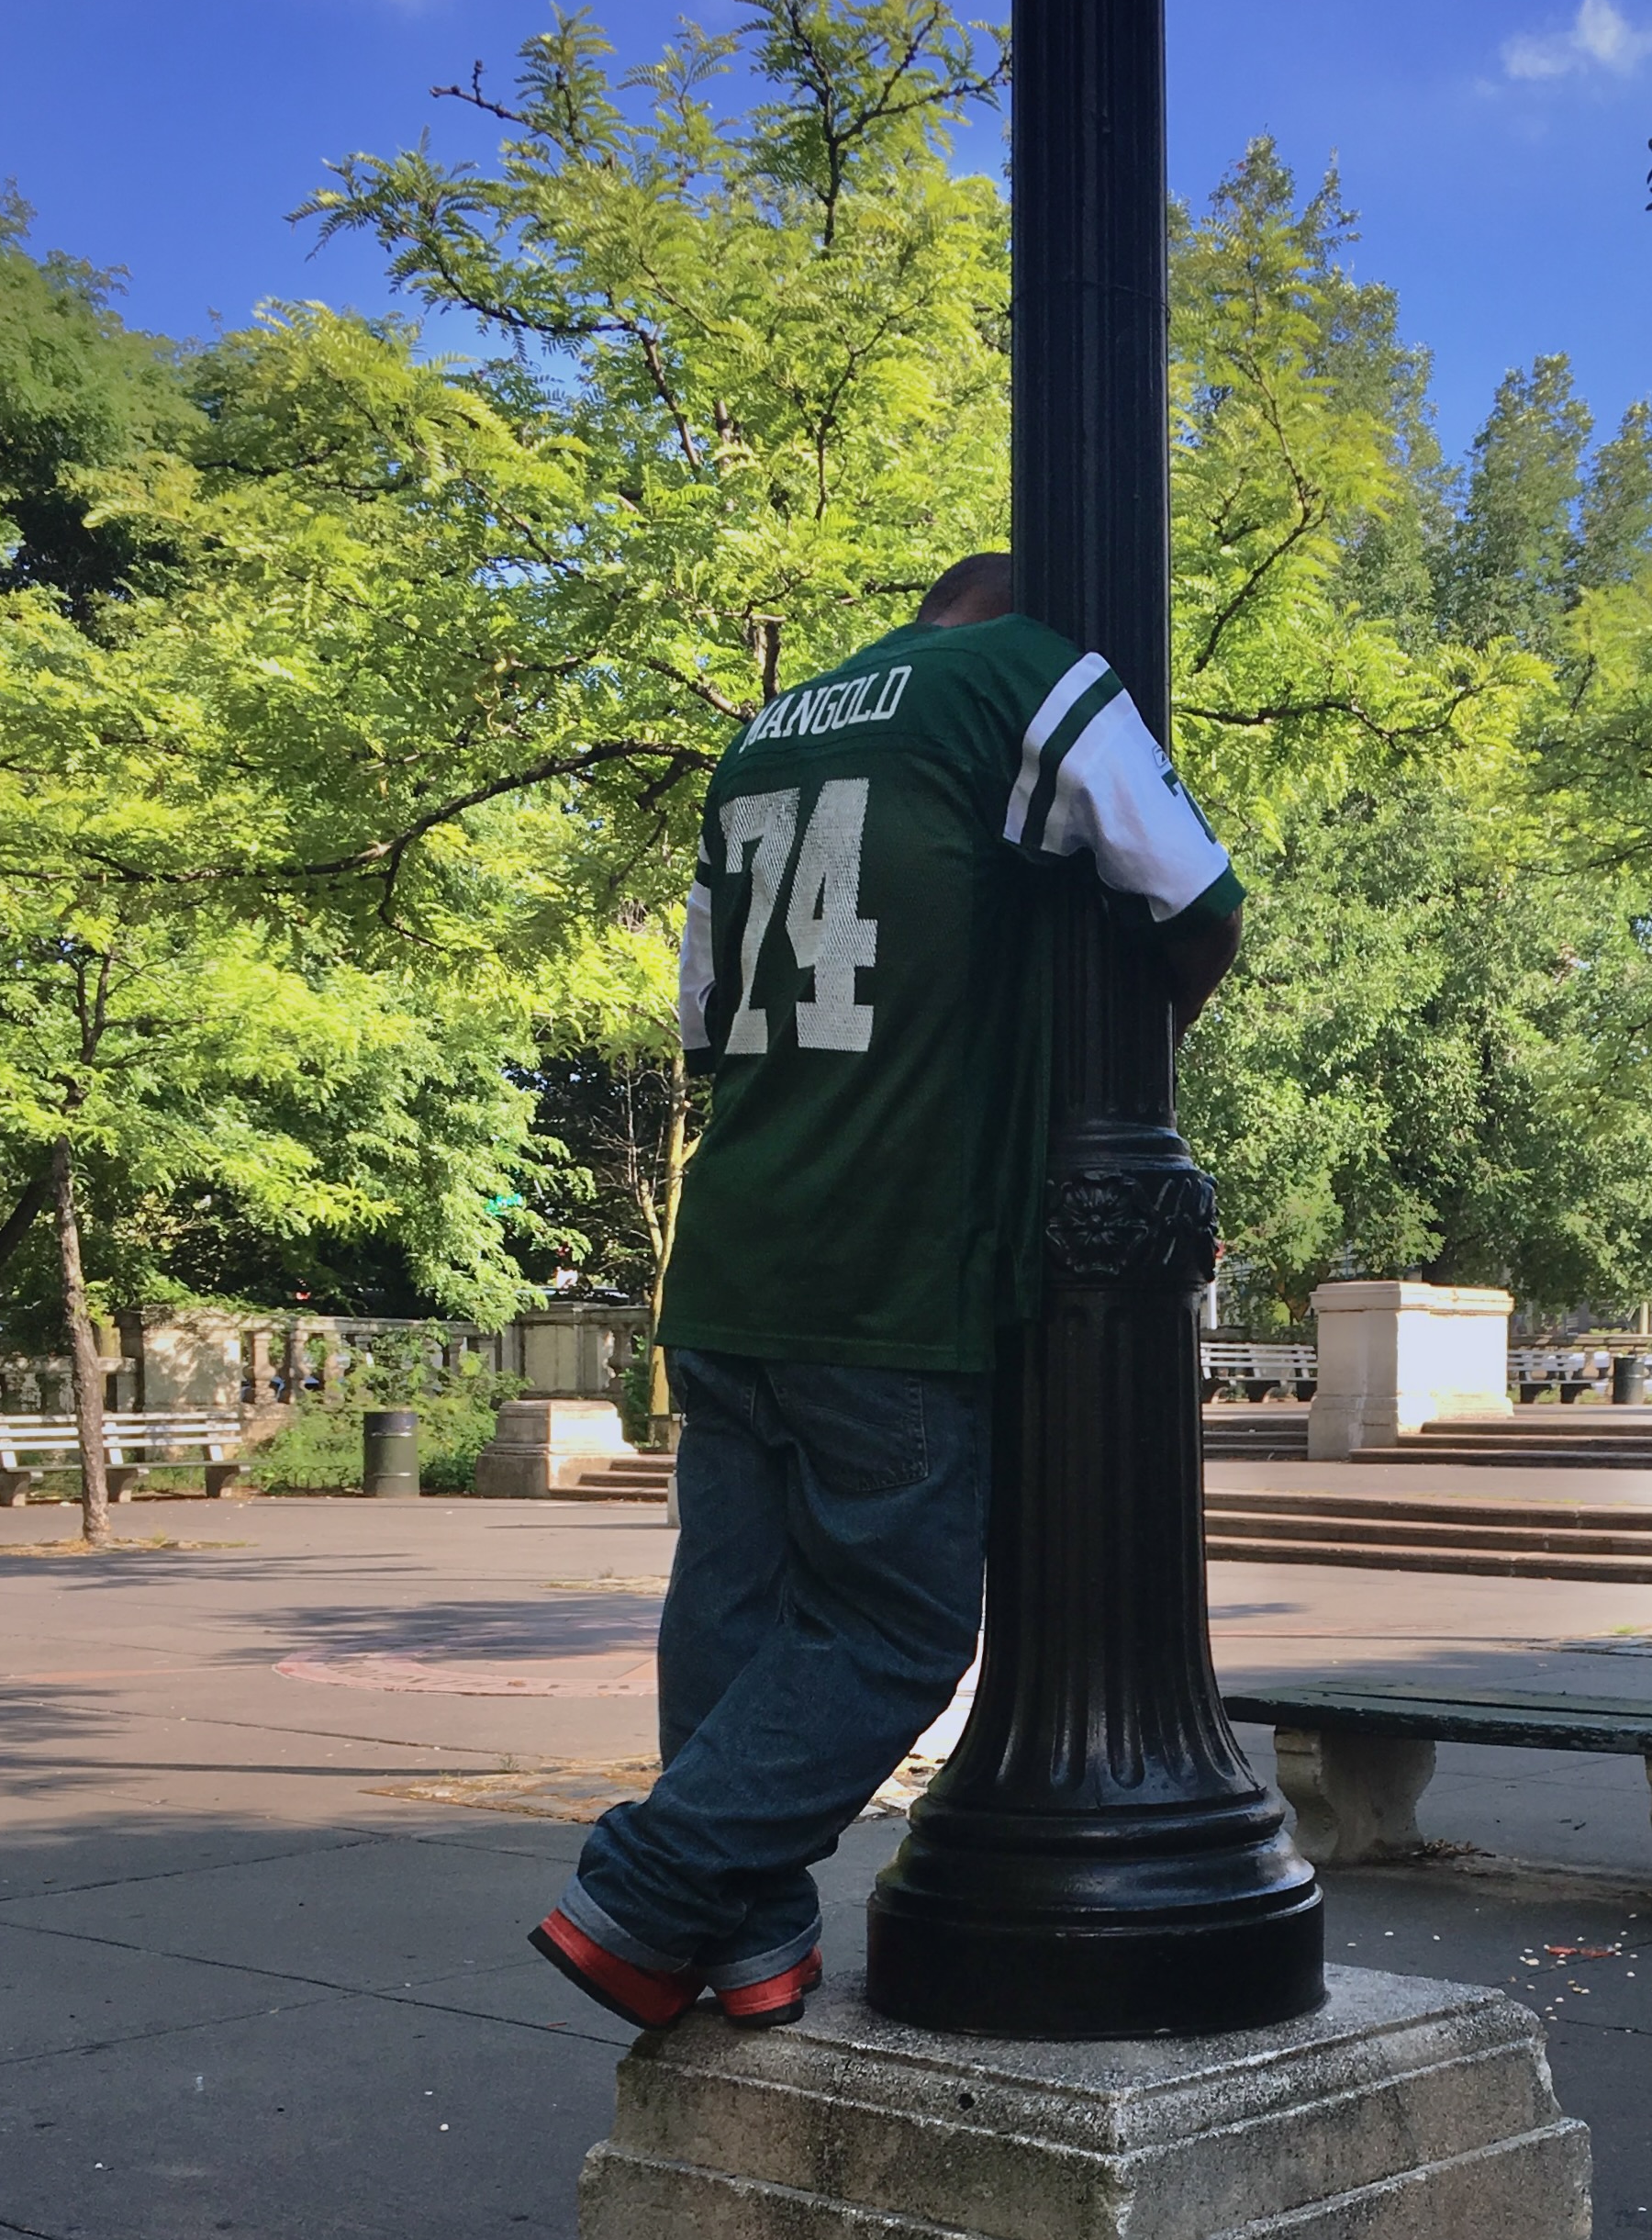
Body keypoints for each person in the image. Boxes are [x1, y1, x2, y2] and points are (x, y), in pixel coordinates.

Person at [530, 553, 1245, 2031]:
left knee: (733, 1605)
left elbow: (707, 1023)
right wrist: (1120, 1086)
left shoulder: (765, 734)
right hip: (891, 1260)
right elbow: (1199, 898)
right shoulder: (1022, 677)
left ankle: (752, 1941)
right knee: (899, 1626)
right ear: (1028, 613)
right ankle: (645, 1887)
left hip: (735, 1252)